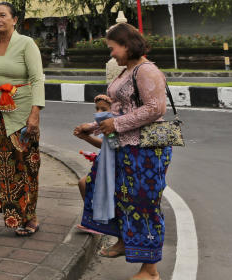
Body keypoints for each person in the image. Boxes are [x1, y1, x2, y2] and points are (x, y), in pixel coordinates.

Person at [75, 23, 172, 280]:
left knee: (143, 204)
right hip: (123, 147)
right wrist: (94, 126)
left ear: (127, 45)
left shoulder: (146, 70)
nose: (112, 55)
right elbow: (119, 110)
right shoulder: (126, 70)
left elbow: (155, 109)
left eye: (113, 48)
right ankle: (122, 241)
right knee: (114, 195)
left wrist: (114, 124)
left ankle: (150, 270)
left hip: (146, 150)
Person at [0, 1, 45, 237]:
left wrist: (35, 112)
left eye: (3, 15)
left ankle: (29, 217)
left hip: (20, 116)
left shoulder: (26, 44)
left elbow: (37, 79)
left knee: (23, 165)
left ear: (14, 20)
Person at [73, 94, 112, 197]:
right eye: (97, 108)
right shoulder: (100, 124)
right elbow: (90, 126)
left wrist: (86, 137)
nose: (99, 112)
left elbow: (107, 145)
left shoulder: (112, 126)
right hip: (103, 162)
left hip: (111, 166)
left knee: (84, 184)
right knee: (83, 184)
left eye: (103, 109)